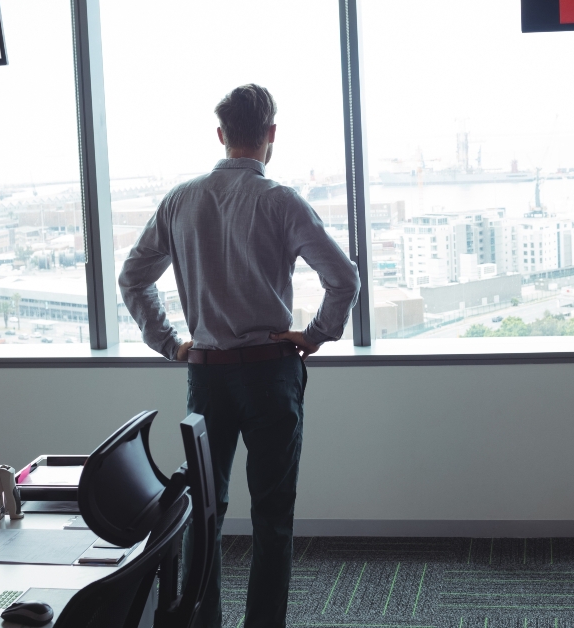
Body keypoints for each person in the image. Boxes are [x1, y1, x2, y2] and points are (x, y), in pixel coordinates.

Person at [118, 83, 360, 628]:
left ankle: (201, 623)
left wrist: (170, 343)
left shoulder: (180, 200)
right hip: (272, 374)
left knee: (204, 510)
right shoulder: (280, 200)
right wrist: (315, 335)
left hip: (207, 375)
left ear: (221, 134)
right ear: (271, 134)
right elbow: (344, 279)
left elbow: (133, 279)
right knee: (273, 514)